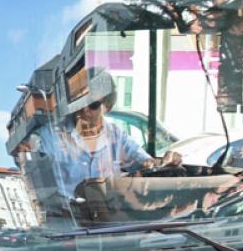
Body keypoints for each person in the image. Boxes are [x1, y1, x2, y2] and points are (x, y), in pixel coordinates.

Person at [30, 69, 179, 201]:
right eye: (79, 103)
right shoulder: (50, 136)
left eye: (93, 105)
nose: (84, 110)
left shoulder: (116, 136)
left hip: (108, 221)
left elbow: (145, 163)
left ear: (107, 107)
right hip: (67, 222)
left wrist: (163, 162)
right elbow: (35, 184)